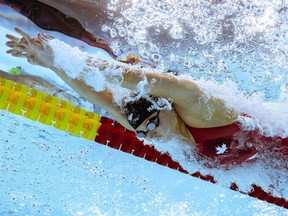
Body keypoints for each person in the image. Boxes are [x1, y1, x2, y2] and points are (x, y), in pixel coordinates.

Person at [6, 28, 286, 166]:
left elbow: (130, 78)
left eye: (151, 125)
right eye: (142, 132)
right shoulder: (152, 127)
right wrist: (53, 65)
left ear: (165, 105)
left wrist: (62, 55)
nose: (148, 136)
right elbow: (102, 99)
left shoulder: (200, 108)